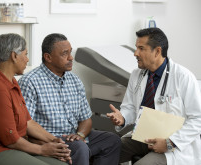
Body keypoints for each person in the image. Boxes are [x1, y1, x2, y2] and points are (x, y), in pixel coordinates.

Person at [18, 33, 121, 165]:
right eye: (64, 54)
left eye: (70, 52)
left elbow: (86, 119)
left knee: (112, 140)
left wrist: (81, 135)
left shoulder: (75, 80)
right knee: (80, 147)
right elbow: (26, 124)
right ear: (48, 57)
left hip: (74, 137)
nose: (70, 57)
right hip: (49, 139)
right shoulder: (30, 82)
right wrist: (55, 141)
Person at [107, 28, 201, 165]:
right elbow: (130, 107)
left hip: (173, 145)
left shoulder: (184, 77)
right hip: (142, 137)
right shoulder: (136, 75)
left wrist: (170, 143)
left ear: (157, 51)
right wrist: (123, 118)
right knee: (105, 152)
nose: (135, 53)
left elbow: (197, 119)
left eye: (141, 48)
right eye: (136, 48)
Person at [0, 33, 72, 165]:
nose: (27, 59)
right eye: (25, 54)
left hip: (14, 146)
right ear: (14, 56)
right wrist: (42, 149)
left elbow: (28, 122)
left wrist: (56, 143)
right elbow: (11, 140)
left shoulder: (11, 81)